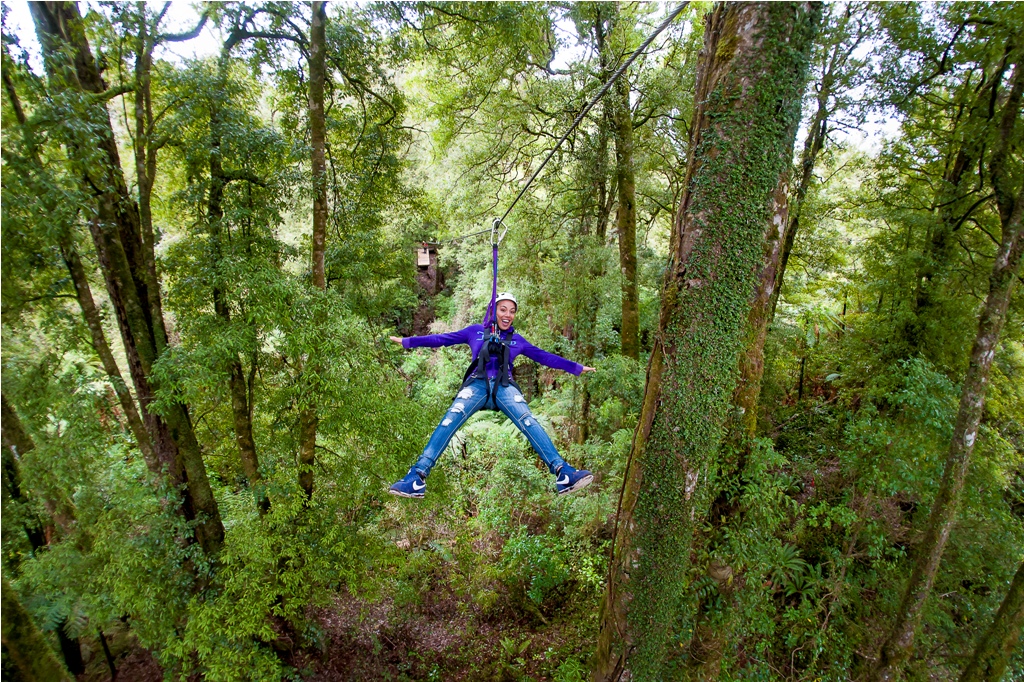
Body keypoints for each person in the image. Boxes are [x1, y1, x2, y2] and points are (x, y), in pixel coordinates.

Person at [388, 292, 596, 498]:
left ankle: (563, 473)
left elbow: (545, 357)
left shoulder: (517, 340)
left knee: (528, 420)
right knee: (449, 420)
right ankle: (416, 477)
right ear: (494, 311)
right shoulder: (476, 332)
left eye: (512, 311)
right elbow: (442, 339)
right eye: (503, 309)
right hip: (477, 384)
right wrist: (408, 342)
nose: (508, 314)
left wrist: (576, 368)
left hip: (504, 386)